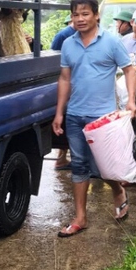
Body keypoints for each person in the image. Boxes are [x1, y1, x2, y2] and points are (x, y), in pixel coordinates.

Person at [53, 0, 136, 237]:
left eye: (85, 14)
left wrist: (131, 101)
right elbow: (65, 79)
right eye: (75, 15)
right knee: (79, 165)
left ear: (96, 15)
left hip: (103, 119)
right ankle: (80, 218)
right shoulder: (68, 44)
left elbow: (129, 71)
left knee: (104, 166)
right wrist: (60, 112)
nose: (80, 19)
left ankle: (119, 191)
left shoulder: (111, 42)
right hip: (75, 115)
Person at [50, 19, 78, 171]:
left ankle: (64, 158)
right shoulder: (64, 36)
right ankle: (62, 158)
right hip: (68, 84)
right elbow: (54, 58)